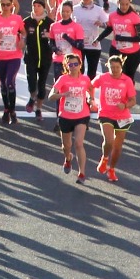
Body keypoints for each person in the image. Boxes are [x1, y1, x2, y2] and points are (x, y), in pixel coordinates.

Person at [92, 54, 136, 181]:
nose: (115, 70)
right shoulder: (103, 78)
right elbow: (90, 86)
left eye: (117, 67)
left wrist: (125, 105)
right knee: (109, 141)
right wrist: (91, 99)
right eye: (112, 67)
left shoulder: (127, 81)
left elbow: (133, 100)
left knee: (117, 147)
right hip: (106, 113)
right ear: (108, 67)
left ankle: (111, 169)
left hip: (122, 117)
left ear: (121, 67)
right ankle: (105, 158)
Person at [52, 53, 94, 183]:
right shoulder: (63, 79)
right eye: (70, 64)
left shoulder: (85, 79)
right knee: (66, 145)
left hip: (82, 115)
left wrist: (90, 98)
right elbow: (51, 96)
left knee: (78, 143)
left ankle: (82, 173)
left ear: (80, 65)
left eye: (76, 64)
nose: (74, 67)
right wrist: (63, 94)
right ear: (66, 66)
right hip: (65, 115)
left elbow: (90, 88)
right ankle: (68, 158)